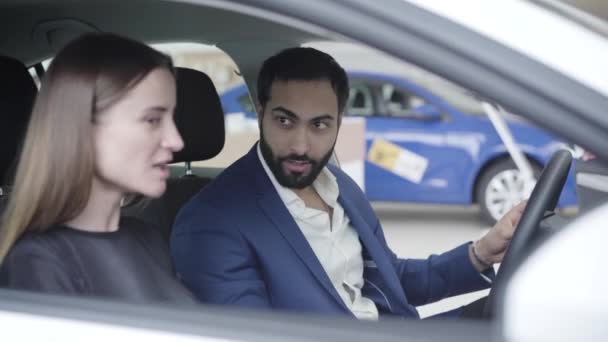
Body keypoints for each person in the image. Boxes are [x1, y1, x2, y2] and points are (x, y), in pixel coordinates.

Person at [171, 47, 525, 319]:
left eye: (320, 125)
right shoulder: (212, 220)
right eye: (285, 121)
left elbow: (392, 281)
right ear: (261, 114)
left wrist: (480, 253)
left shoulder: (337, 185)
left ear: (340, 122)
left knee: (518, 312)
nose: (300, 145)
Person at [0, 33, 196, 304]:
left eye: (172, 118)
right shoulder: (38, 262)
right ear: (83, 128)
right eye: (152, 120)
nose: (176, 141)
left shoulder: (147, 240)